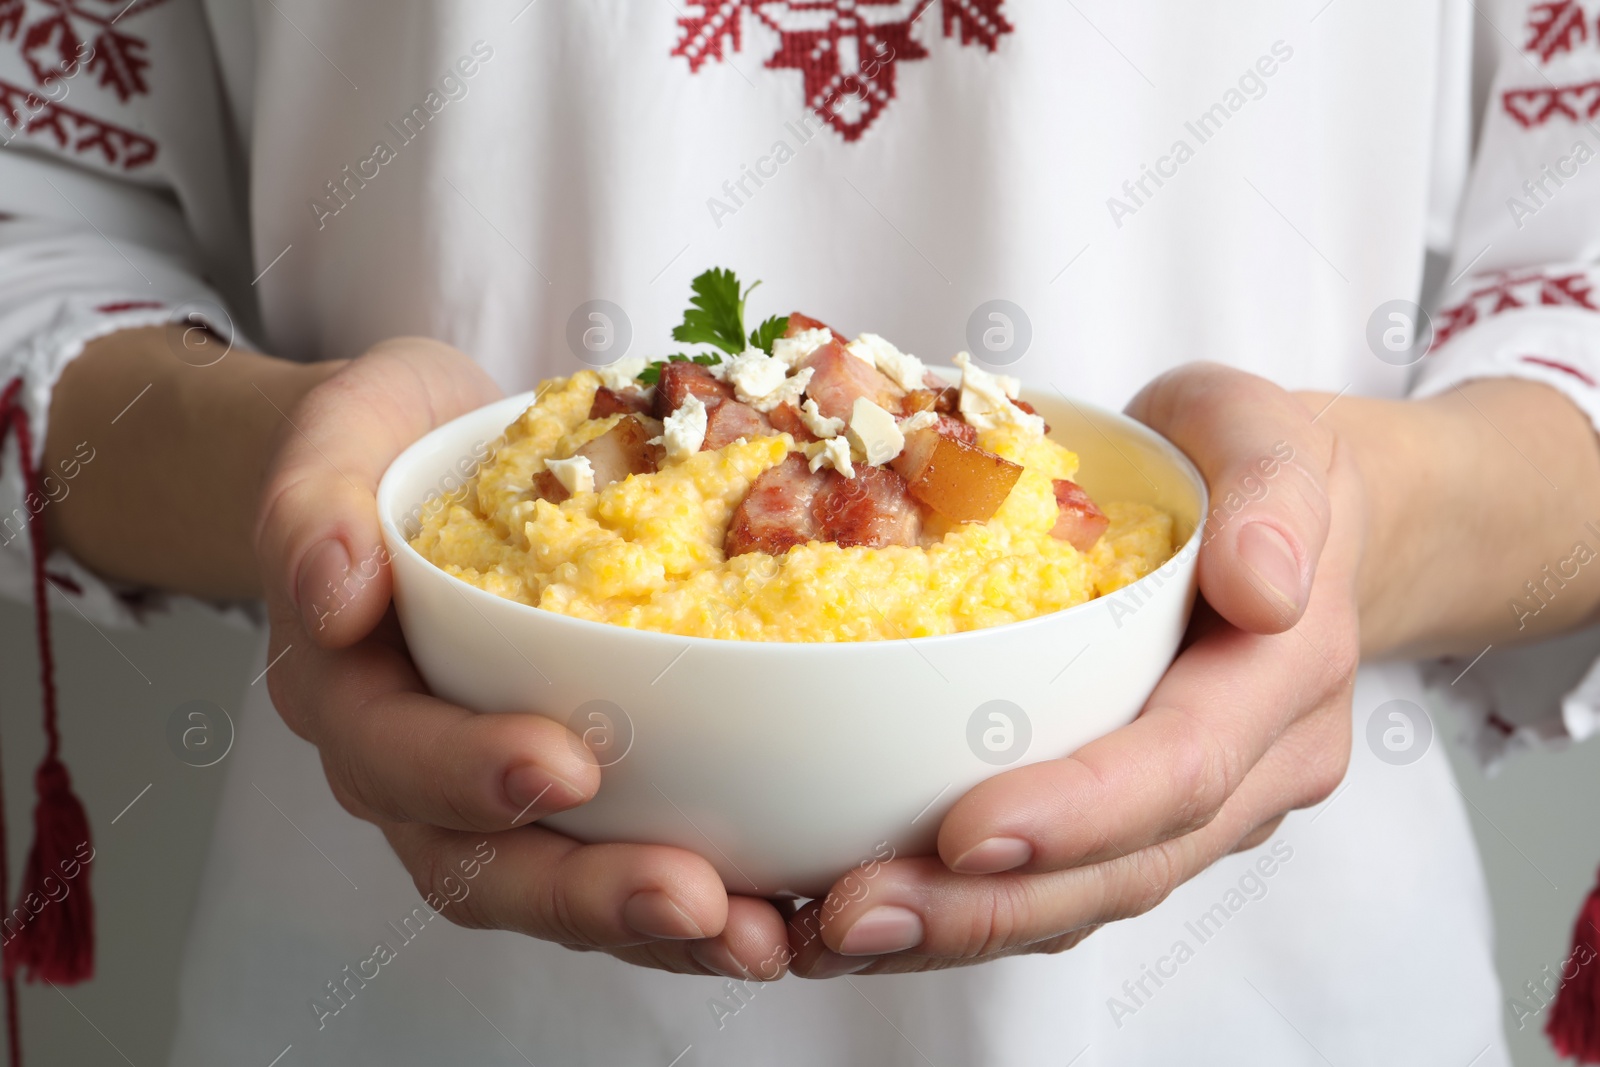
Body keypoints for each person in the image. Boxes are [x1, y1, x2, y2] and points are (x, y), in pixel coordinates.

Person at [2, 0, 1597, 1063]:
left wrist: (1351, 526)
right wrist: (302, 487)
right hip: (407, 990)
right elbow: (38, 227)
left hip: (1263, 1003)